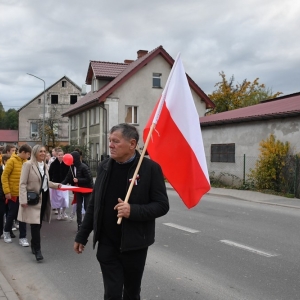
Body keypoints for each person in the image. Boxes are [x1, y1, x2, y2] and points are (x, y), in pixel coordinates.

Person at [74, 123, 169, 300]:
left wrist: (132, 210)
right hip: (107, 243)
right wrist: (82, 235)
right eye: (110, 141)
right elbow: (94, 204)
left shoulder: (150, 169)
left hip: (134, 245)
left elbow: (162, 205)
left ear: (132, 144)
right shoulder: (104, 167)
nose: (110, 145)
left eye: (116, 141)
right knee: (112, 293)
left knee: (132, 293)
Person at [18, 144, 61, 262]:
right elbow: (22, 183)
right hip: (33, 198)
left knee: (39, 223)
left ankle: (33, 244)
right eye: (40, 151)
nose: (43, 153)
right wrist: (23, 200)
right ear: (35, 153)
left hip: (44, 197)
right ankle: (38, 250)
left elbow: (46, 182)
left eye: (44, 151)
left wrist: (57, 185)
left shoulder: (45, 166)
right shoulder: (28, 165)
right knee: (35, 225)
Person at [2, 144, 32, 245]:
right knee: (12, 214)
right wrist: (7, 191)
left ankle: (23, 237)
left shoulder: (27, 162)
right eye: (28, 154)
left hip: (24, 193)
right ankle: (6, 232)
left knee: (23, 216)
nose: (29, 156)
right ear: (23, 152)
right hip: (13, 193)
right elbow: (4, 177)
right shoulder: (11, 161)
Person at [61, 151, 93, 232]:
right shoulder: (71, 167)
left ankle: (88, 224)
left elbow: (89, 179)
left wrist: (78, 180)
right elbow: (68, 178)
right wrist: (60, 185)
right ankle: (79, 225)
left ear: (75, 159)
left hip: (87, 190)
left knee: (86, 207)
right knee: (78, 208)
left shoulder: (84, 167)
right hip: (78, 190)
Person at [48, 149, 70, 220]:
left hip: (64, 184)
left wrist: (68, 181)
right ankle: (59, 213)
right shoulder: (53, 164)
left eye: (62, 155)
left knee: (64, 199)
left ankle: (63, 212)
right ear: (57, 155)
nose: (60, 156)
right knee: (57, 199)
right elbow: (50, 174)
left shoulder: (66, 164)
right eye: (59, 155)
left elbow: (69, 174)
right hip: (55, 184)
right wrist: (50, 182)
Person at [0, 154, 11, 239]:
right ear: (4, 161)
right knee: (1, 213)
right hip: (2, 196)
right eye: (8, 161)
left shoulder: (11, 170)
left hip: (10, 195)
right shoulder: (0, 169)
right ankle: (0, 232)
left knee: (9, 213)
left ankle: (9, 231)